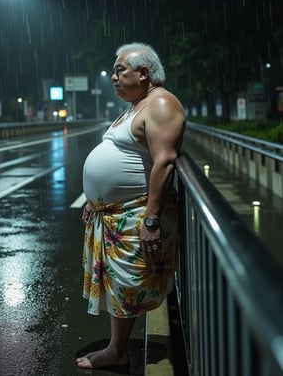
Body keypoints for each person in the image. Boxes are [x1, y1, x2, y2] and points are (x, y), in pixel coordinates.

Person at [76, 42, 186, 369]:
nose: (113, 77)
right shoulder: (138, 105)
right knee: (118, 285)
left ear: (143, 72)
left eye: (119, 70)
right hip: (114, 216)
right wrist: (96, 203)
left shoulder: (162, 104)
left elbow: (165, 162)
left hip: (137, 215)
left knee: (127, 285)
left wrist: (151, 221)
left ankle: (117, 351)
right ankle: (116, 348)